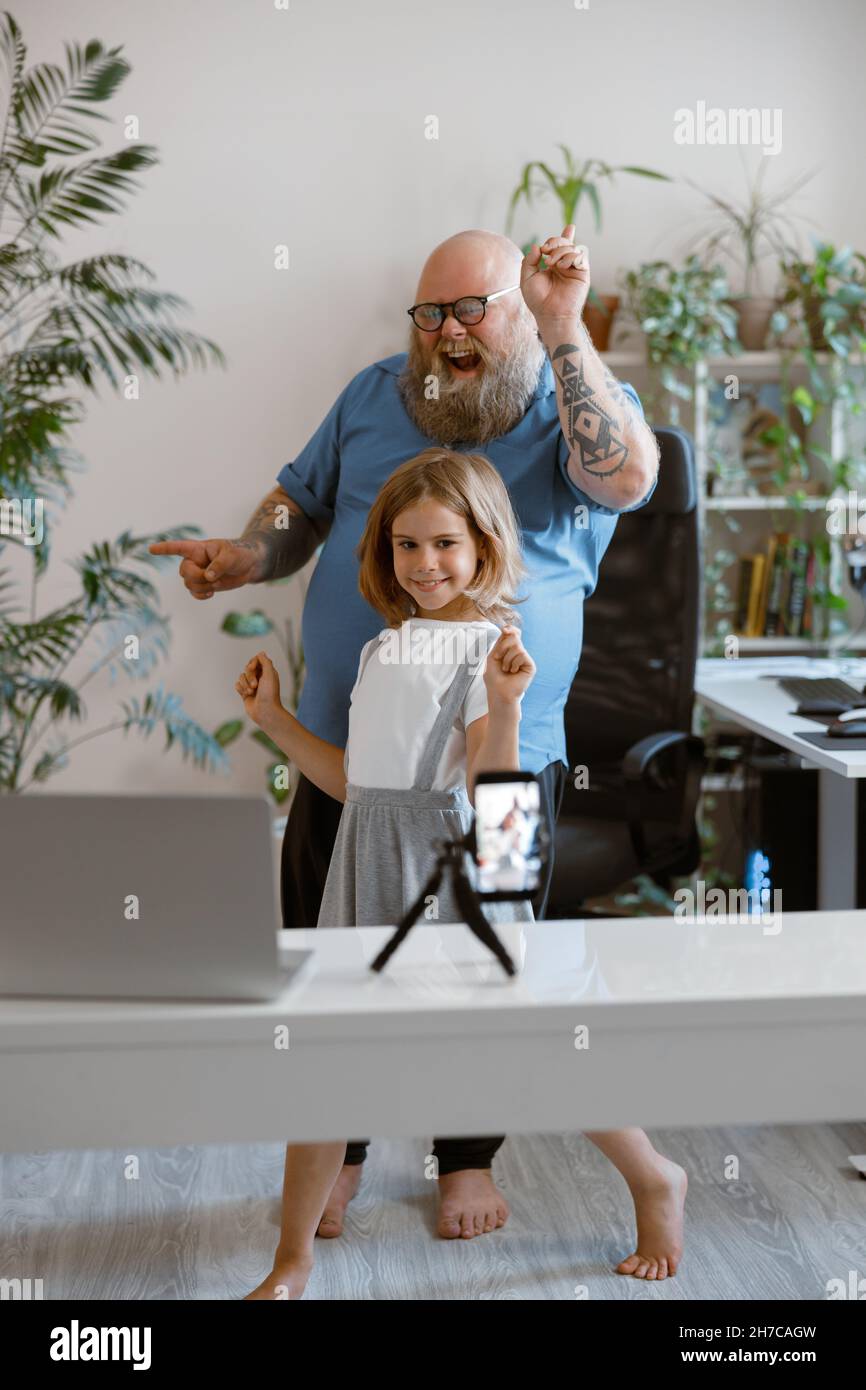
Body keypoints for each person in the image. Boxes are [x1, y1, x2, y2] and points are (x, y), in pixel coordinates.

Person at [150, 223, 661, 1242]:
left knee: (493, 975)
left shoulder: (569, 399)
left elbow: (628, 480)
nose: (446, 332)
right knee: (330, 958)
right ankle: (333, 1155)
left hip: (508, 765)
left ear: (518, 309)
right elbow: (296, 505)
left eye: (473, 307)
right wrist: (245, 559)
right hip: (362, 765)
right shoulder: (372, 393)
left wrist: (563, 326)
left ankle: (475, 1155)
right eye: (429, 313)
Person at [236, 449, 685, 1299]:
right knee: (326, 1072)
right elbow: (355, 786)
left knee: (533, 1057)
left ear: (483, 545)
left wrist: (508, 708)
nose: (425, 564)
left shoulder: (492, 655)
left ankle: (654, 1175)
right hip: (366, 869)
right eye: (406, 545)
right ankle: (291, 1263)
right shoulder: (381, 651)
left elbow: (494, 799)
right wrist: (273, 720)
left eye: (444, 543)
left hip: (454, 882)